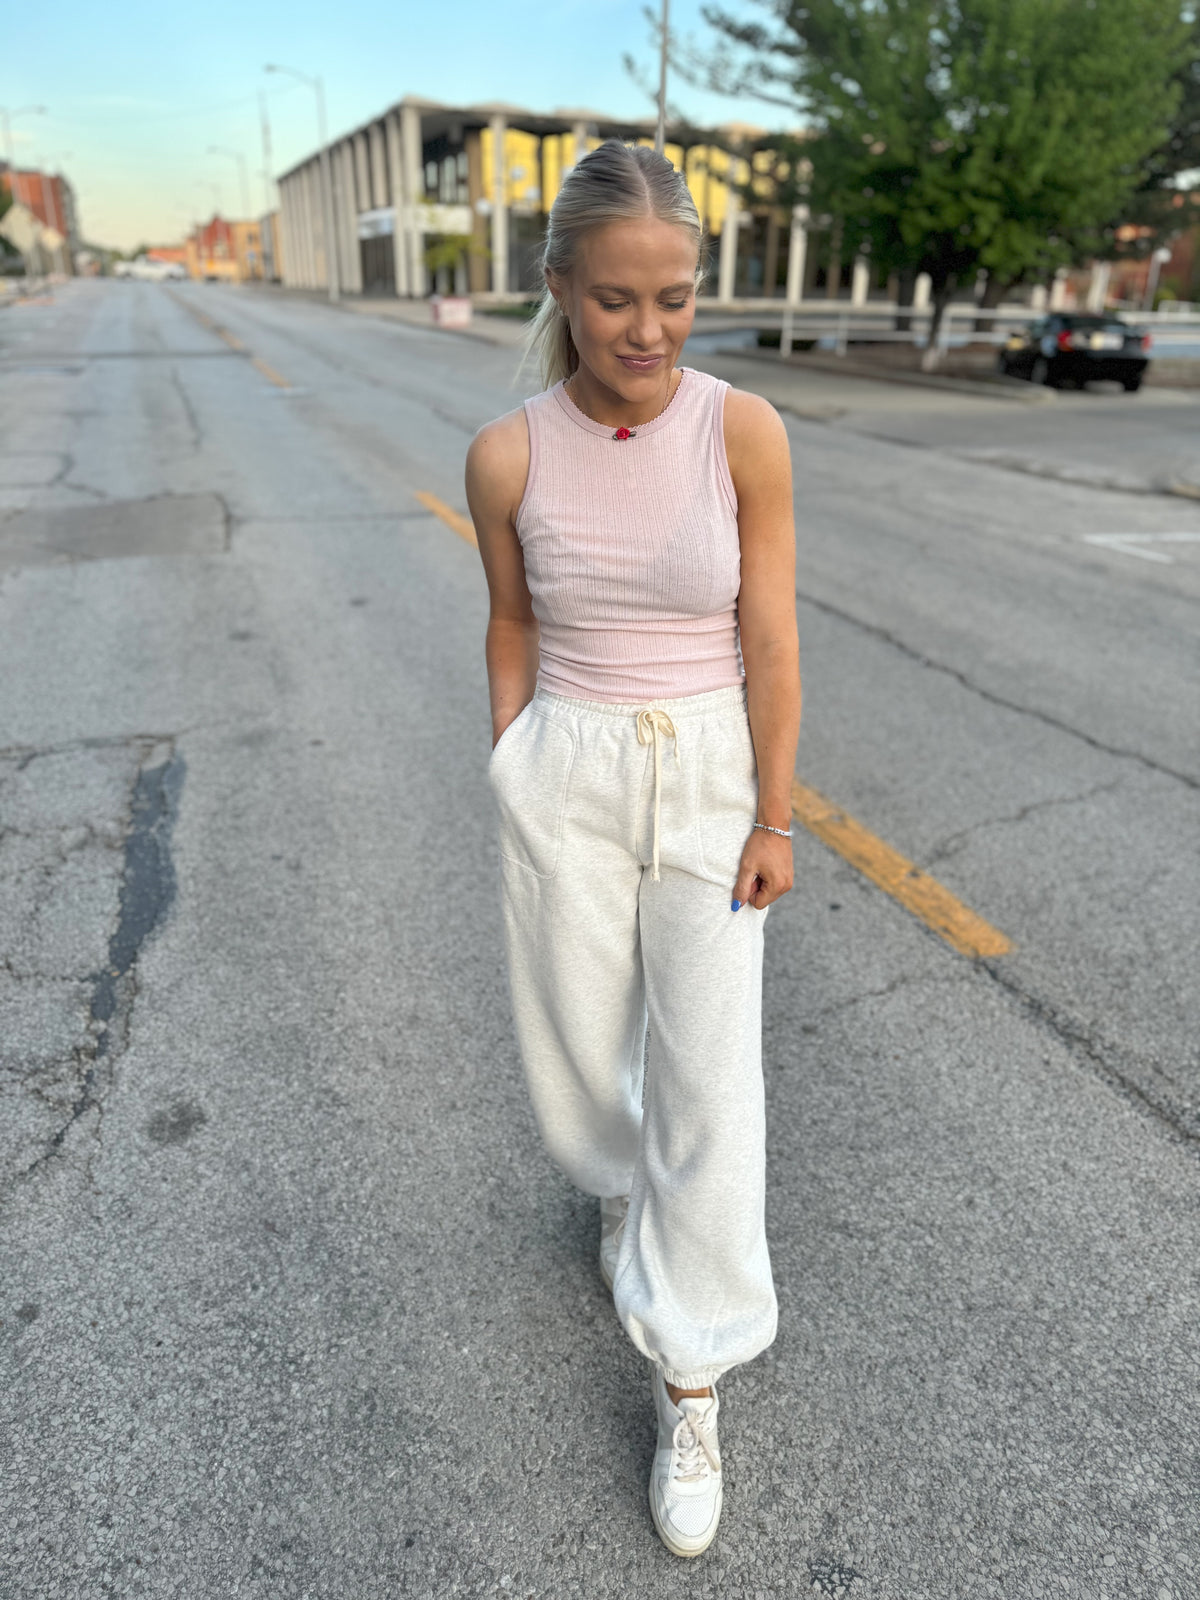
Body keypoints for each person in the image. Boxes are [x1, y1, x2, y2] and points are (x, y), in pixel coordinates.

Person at [464, 138, 800, 1559]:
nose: (649, 330)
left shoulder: (743, 430)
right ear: (560, 287)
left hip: (712, 770)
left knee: (711, 1078)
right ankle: (619, 1198)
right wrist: (512, 762)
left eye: (674, 297)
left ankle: (692, 1370)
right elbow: (513, 622)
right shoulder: (505, 452)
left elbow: (770, 633)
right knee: (580, 1065)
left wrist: (775, 810)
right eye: (615, 300)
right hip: (571, 768)